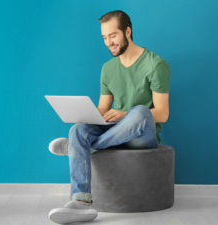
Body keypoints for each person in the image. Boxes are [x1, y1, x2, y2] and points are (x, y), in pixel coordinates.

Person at [48, 10, 171, 224]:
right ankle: (81, 202)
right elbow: (103, 109)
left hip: (143, 133)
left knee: (140, 111)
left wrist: (125, 114)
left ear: (128, 31)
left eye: (113, 35)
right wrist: (87, 115)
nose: (108, 42)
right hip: (116, 129)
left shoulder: (156, 64)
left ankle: (80, 148)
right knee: (77, 130)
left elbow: (162, 113)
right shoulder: (107, 68)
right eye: (104, 37)